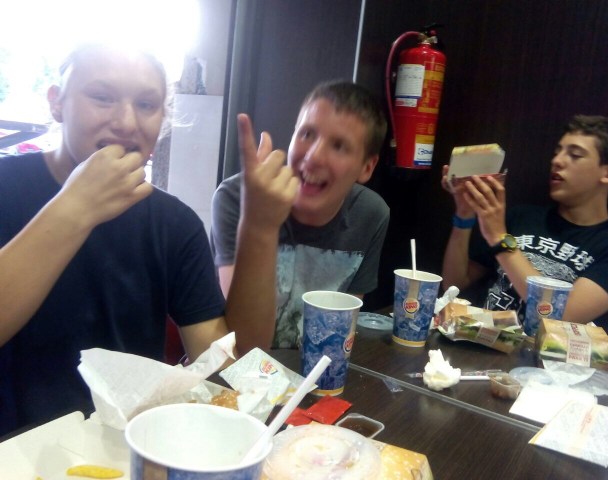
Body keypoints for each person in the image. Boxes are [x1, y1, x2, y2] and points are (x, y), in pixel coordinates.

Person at [0, 43, 295, 434]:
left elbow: (234, 371)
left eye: (146, 104)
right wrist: (76, 207)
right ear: (57, 102)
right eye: (102, 97)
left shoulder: (173, 224)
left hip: (128, 446)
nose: (127, 123)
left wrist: (259, 228)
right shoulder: (7, 186)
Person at [211, 80, 390, 352]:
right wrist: (258, 224)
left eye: (339, 146)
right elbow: (243, 348)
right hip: (236, 369)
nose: (314, 156)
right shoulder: (240, 197)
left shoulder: (370, 215)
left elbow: (339, 335)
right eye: (307, 134)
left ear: (367, 167)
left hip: (315, 370)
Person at [441, 115, 608, 332]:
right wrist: (464, 215)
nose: (557, 161)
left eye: (575, 155)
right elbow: (454, 285)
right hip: (478, 342)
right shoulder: (522, 217)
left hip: (542, 352)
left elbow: (563, 313)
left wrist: (500, 239)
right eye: (557, 152)